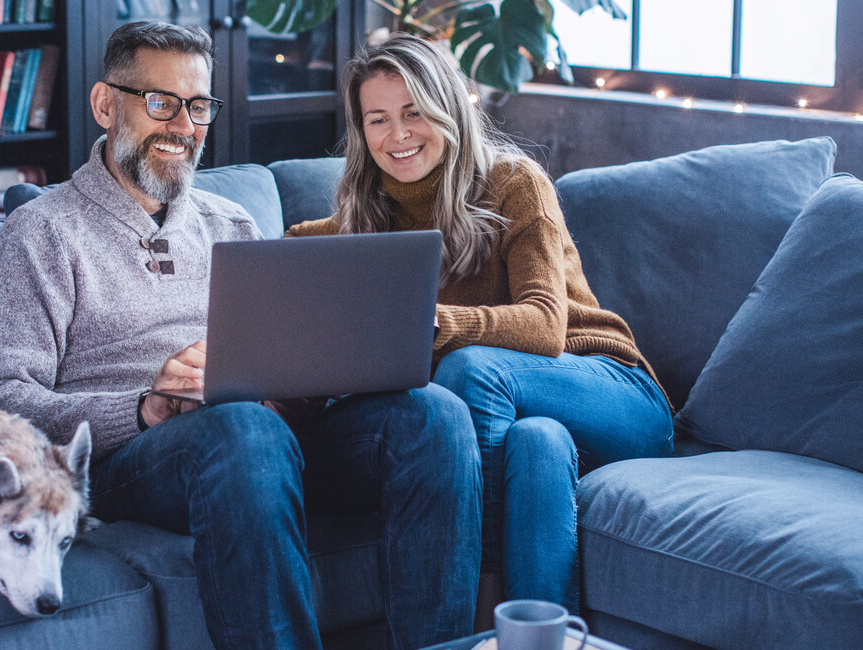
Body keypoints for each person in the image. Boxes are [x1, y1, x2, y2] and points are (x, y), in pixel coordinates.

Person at [0, 21, 481, 650]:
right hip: (135, 461)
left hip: (263, 440)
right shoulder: (40, 233)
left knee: (434, 415)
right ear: (105, 105)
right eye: (161, 103)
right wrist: (143, 408)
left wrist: (303, 385)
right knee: (243, 430)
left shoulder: (230, 222)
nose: (184, 127)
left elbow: (278, 360)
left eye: (199, 105)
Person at [285, 34, 674, 622]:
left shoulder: (514, 183)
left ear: (446, 107)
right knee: (537, 443)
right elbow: (295, 254)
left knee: (472, 368)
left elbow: (546, 325)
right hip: (529, 420)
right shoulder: (366, 223)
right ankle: (538, 635)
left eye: (414, 111)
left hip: (612, 391)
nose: (399, 135)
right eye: (378, 119)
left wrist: (439, 322)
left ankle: (475, 602)